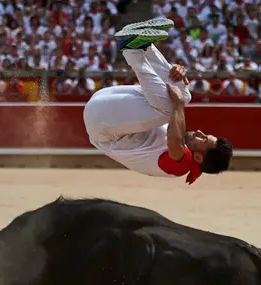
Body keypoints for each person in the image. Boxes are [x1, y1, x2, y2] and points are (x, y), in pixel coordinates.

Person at [82, 18, 233, 185]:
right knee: (184, 95)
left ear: (198, 156)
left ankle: (132, 50)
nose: (199, 132)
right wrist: (177, 75)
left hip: (103, 126)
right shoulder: (181, 147)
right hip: (104, 106)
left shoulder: (181, 166)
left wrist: (177, 105)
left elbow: (175, 141)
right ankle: (144, 47)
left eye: (203, 140)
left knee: (172, 106)